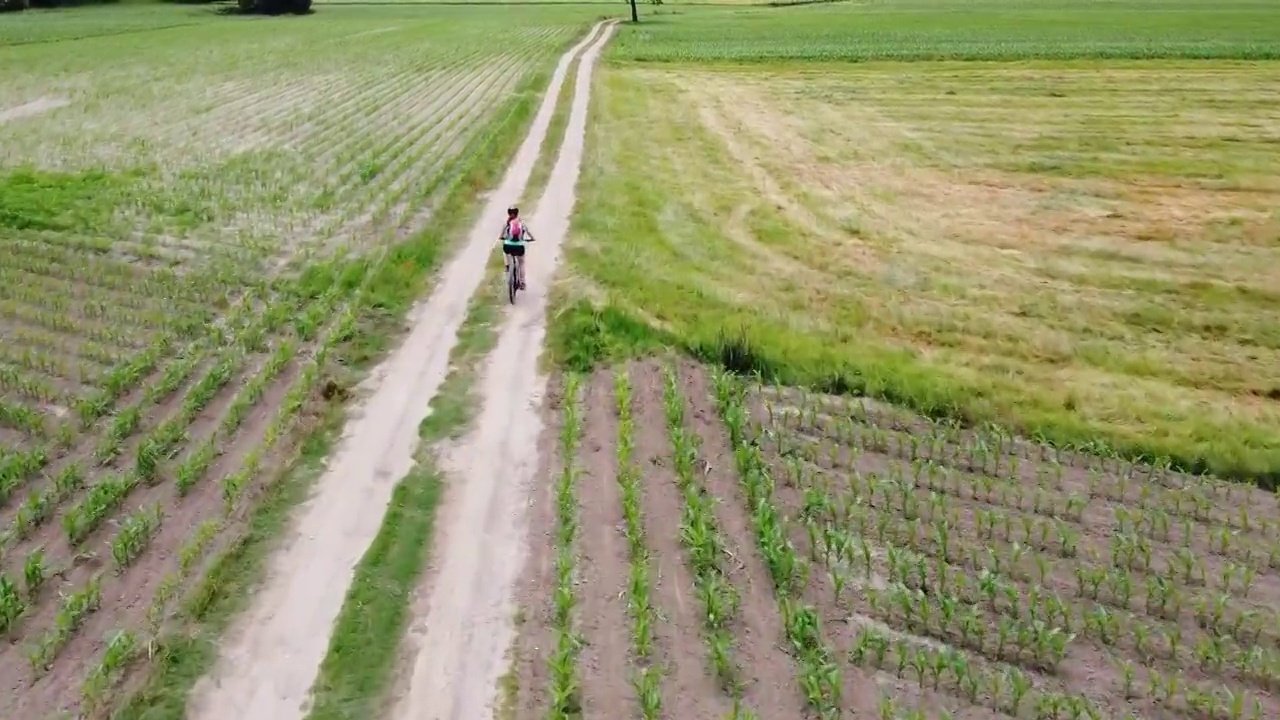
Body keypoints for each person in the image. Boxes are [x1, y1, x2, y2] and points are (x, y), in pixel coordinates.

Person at [500, 205, 535, 289]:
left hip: (508, 246)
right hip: (519, 246)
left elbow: (502, 234)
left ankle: (507, 265)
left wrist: (502, 237)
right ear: (517, 213)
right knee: (521, 263)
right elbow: (528, 232)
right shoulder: (521, 222)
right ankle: (522, 282)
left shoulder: (507, 222)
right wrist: (532, 239)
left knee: (505, 251)